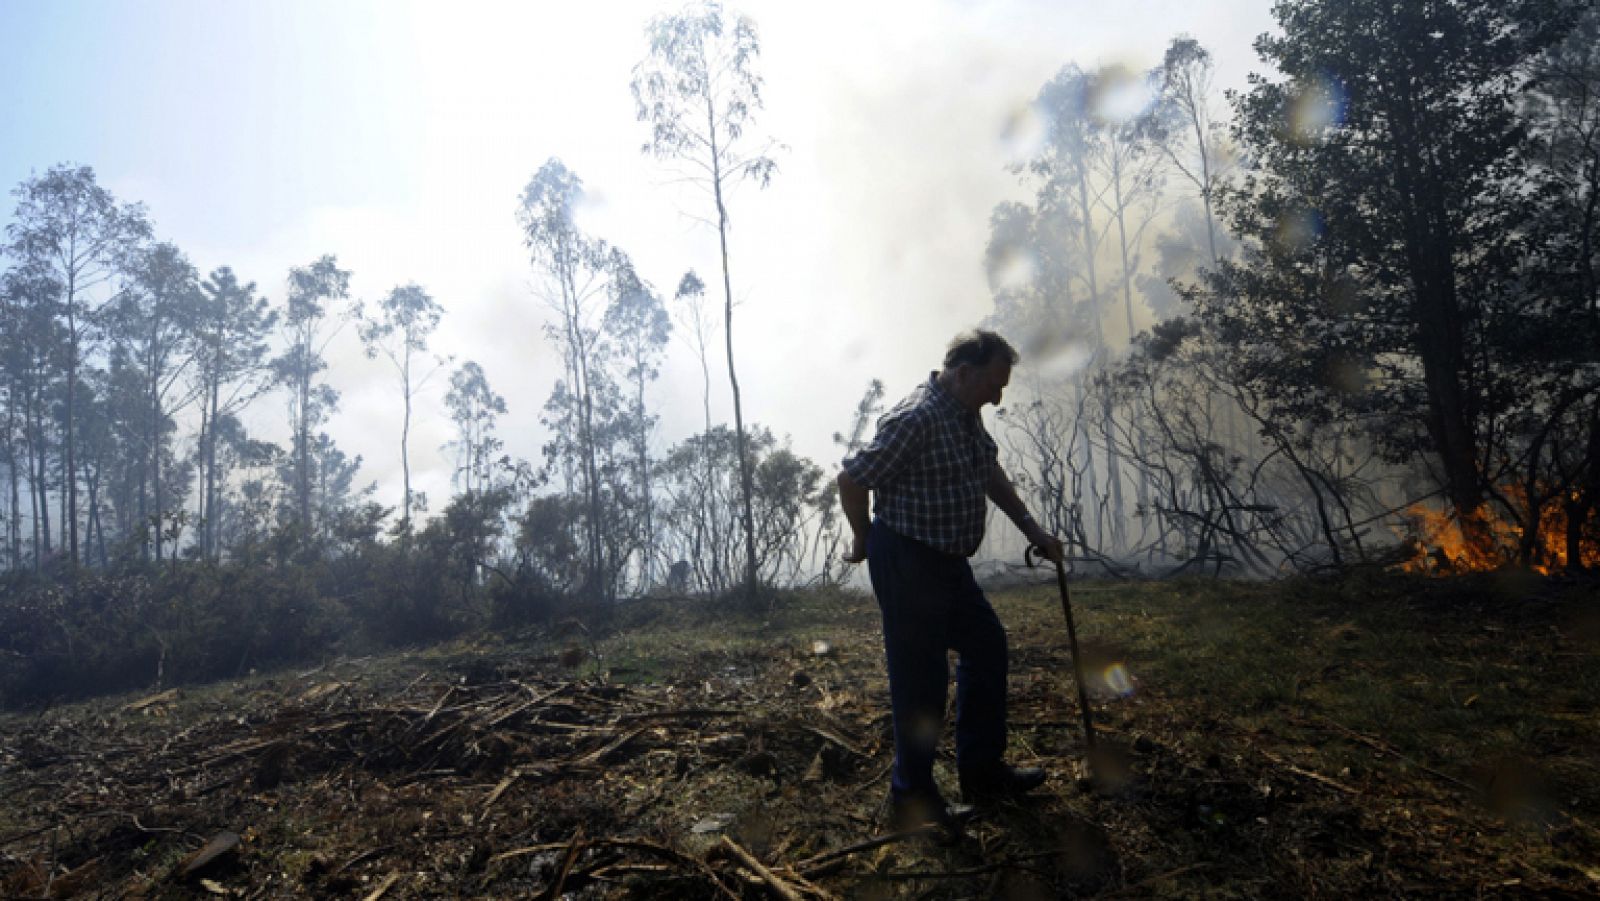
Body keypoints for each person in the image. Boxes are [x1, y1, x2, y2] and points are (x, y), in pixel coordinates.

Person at [838, 328, 1066, 830]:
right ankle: (912, 800)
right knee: (921, 681)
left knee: (986, 645)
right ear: (964, 373)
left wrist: (1033, 528)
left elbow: (988, 472)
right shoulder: (916, 418)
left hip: (948, 564)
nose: (997, 397)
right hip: (907, 560)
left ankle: (982, 773)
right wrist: (863, 538)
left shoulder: (965, 416)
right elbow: (853, 480)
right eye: (993, 384)